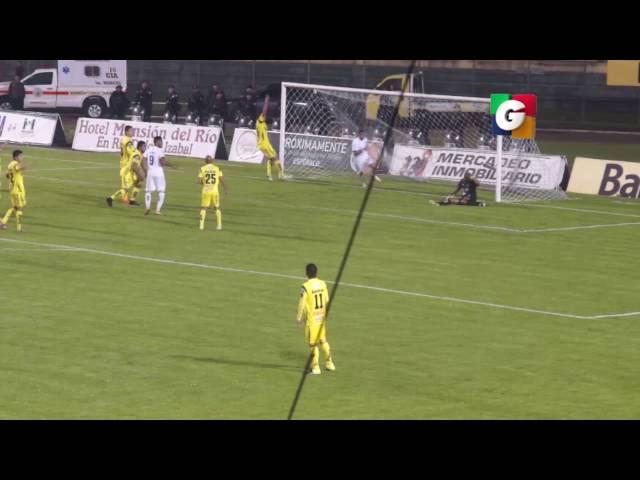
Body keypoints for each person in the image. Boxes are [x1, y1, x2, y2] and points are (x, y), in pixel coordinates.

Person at [296, 263, 335, 375]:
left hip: (312, 320)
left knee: (312, 344)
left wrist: (299, 318)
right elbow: (326, 300)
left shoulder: (305, 287)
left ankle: (316, 368)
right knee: (323, 340)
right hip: (321, 317)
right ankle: (330, 363)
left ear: (306, 273)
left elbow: (301, 304)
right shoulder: (323, 284)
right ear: (316, 272)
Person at [143, 136, 174, 215]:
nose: (162, 143)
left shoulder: (149, 150)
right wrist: (171, 165)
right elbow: (162, 163)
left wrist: (145, 169)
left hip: (150, 172)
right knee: (161, 191)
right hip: (158, 172)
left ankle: (147, 207)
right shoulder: (160, 150)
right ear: (156, 142)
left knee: (148, 191)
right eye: (160, 141)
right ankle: (157, 210)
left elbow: (143, 159)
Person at [107, 125, 136, 206]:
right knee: (129, 183)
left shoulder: (123, 139)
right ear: (127, 132)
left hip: (123, 163)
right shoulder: (128, 141)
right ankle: (112, 198)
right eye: (131, 131)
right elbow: (130, 152)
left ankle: (125, 199)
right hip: (126, 164)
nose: (133, 132)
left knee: (127, 183)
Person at [257, 95, 283, 181]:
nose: (265, 116)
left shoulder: (260, 123)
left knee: (271, 159)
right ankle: (281, 173)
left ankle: (269, 175)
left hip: (261, 144)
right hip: (264, 144)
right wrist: (266, 101)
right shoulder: (260, 121)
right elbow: (264, 111)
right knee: (275, 157)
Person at [198, 156, 228, 231]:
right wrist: (225, 188)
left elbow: (199, 181)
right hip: (215, 191)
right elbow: (221, 179)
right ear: (212, 161)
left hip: (206, 190)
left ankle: (201, 226)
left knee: (204, 208)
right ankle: (219, 226)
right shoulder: (217, 168)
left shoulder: (202, 168)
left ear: (205, 161)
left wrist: (203, 183)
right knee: (217, 208)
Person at [0, 150, 27, 232]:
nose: (22, 157)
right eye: (20, 156)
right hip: (17, 190)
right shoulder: (15, 164)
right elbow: (17, 168)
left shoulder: (10, 164)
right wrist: (23, 167)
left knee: (15, 207)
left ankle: (3, 221)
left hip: (12, 189)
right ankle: (19, 228)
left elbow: (7, 175)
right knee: (19, 208)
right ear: (16, 157)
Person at [127, 141, 147, 205]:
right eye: (144, 146)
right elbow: (134, 165)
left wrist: (145, 172)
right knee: (125, 188)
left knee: (139, 184)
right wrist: (140, 175)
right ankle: (111, 198)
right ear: (140, 147)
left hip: (133, 172)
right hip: (130, 173)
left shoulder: (140, 154)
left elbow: (142, 164)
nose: (145, 148)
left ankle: (132, 200)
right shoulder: (137, 154)